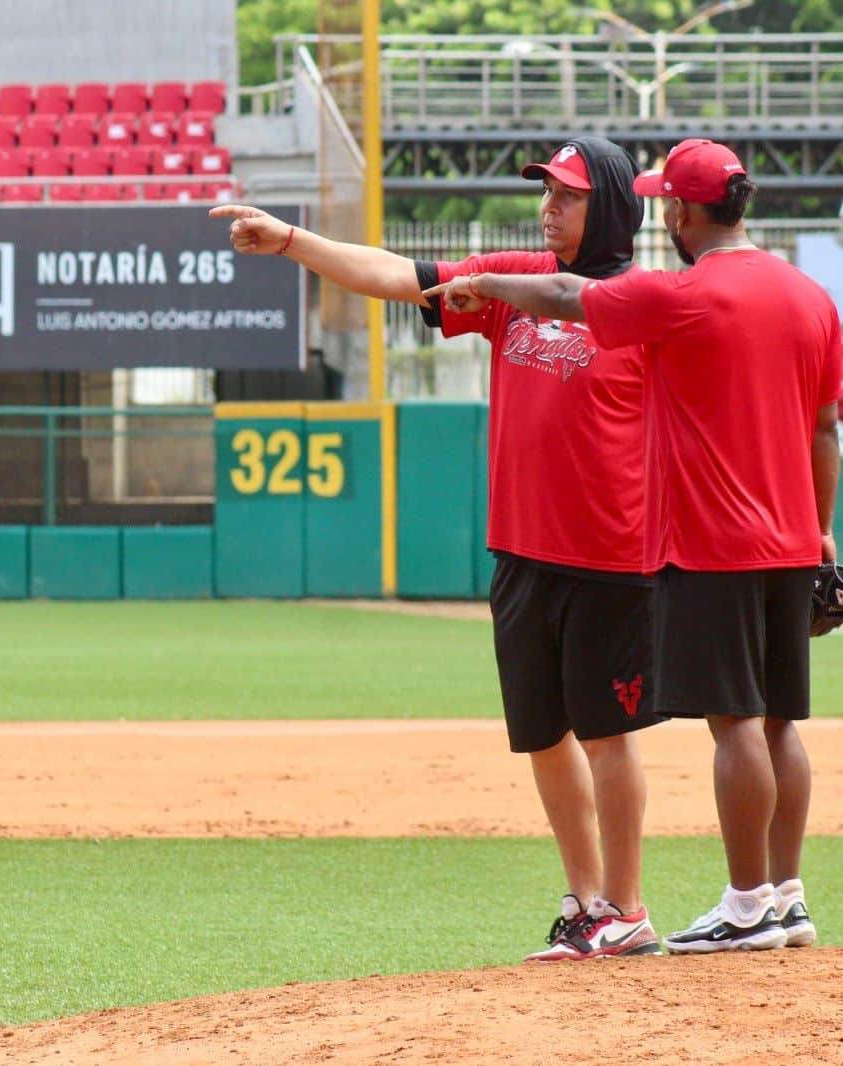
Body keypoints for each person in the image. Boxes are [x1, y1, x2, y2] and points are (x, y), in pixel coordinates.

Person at [212, 136, 666, 962]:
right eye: (546, 192)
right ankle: (587, 900)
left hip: (612, 555)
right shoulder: (511, 284)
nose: (548, 206)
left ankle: (629, 909)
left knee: (607, 733)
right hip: (521, 552)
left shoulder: (646, 303)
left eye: (567, 194)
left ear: (610, 205)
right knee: (542, 734)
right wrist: (291, 241)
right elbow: (400, 277)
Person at [425, 138, 841, 954]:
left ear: (682, 212)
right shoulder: (811, 296)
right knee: (784, 721)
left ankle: (749, 900)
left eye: (669, 202)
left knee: (738, 725)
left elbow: (567, 297)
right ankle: (788, 897)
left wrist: (480, 283)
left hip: (718, 537)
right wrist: (821, 531)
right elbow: (824, 426)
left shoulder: (686, 291)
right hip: (796, 537)